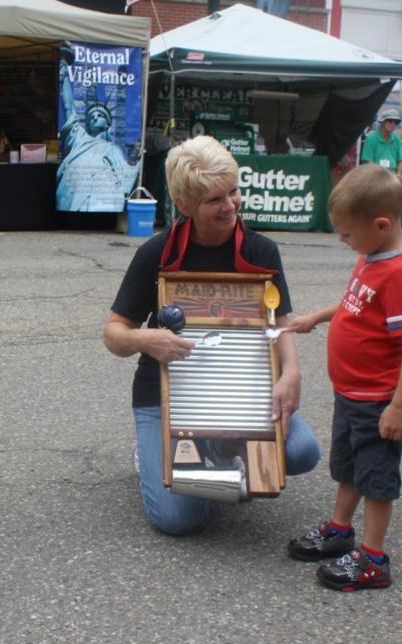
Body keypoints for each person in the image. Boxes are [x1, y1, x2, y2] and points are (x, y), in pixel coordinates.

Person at [103, 136, 321, 536]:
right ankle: (157, 455)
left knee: (304, 452)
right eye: (214, 200)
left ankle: (215, 452)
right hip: (166, 396)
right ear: (185, 205)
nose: (231, 205)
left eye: (234, 192)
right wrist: (146, 339)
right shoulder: (157, 254)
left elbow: (280, 320)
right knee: (177, 520)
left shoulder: (261, 252)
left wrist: (291, 373)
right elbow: (113, 332)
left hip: (241, 390)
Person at [284, 164, 402, 591]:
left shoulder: (399, 273)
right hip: (351, 393)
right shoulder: (373, 255)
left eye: (348, 233)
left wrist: (399, 405)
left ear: (382, 225)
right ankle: (340, 529)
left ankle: (372, 558)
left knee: (377, 479)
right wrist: (317, 317)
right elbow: (353, 307)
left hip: (379, 400)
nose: (343, 241)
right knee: (349, 469)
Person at [56, 43, 140, 212]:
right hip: (74, 188)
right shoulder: (80, 137)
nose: (95, 117)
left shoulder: (113, 149)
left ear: (108, 123)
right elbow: (68, 108)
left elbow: (125, 177)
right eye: (92, 116)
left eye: (100, 116)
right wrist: (64, 77)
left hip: (101, 193)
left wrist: (139, 161)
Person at [360, 111, 402, 205]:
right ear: (382, 122)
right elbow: (369, 161)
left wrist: (398, 175)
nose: (393, 124)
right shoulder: (371, 138)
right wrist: (382, 174)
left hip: (393, 175)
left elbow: (401, 161)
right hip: (375, 175)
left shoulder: (397, 139)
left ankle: (396, 204)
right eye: (390, 121)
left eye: (395, 122)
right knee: (383, 190)